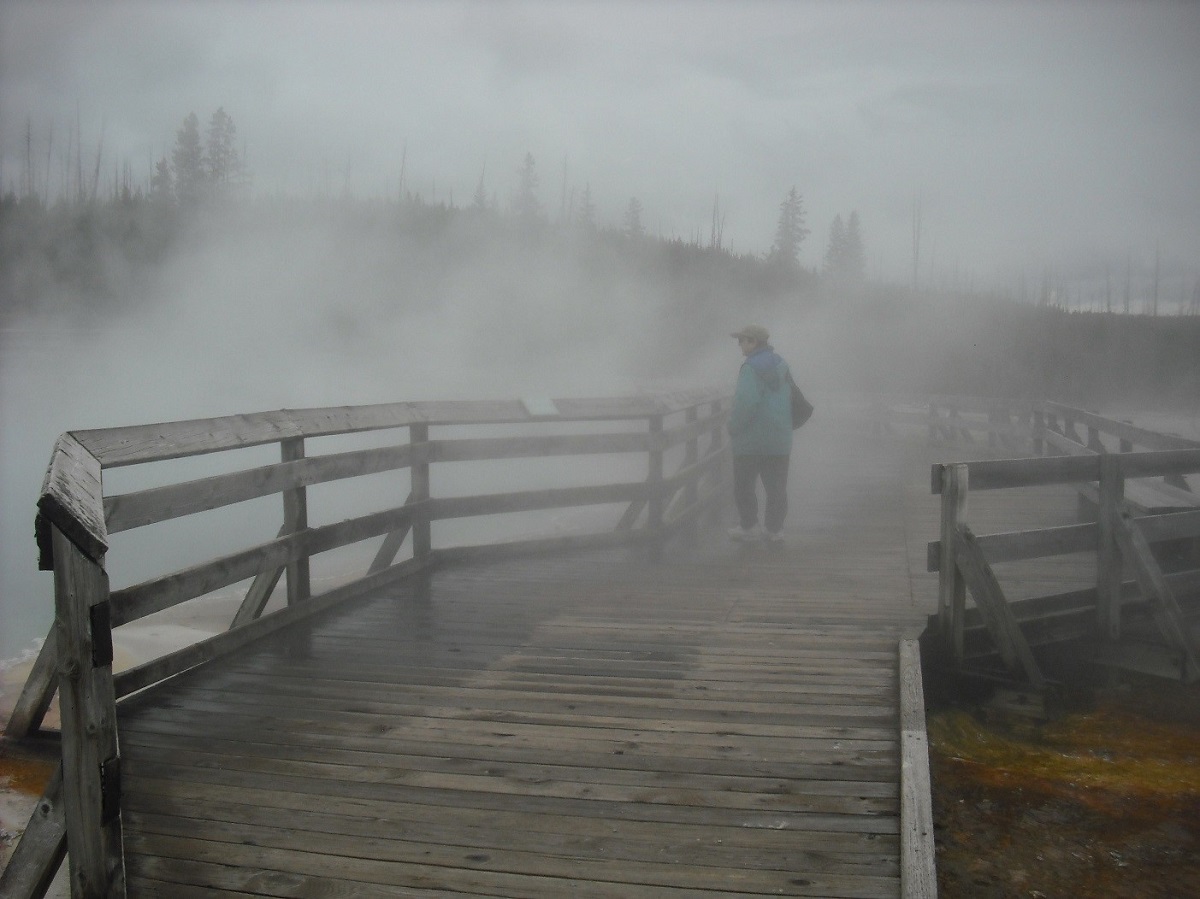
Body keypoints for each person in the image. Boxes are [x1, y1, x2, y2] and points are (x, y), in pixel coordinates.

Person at [726, 324, 793, 543]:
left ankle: (749, 526)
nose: (739, 345)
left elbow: (746, 403)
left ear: (753, 342)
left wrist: (733, 426)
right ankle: (775, 530)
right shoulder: (781, 364)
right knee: (776, 488)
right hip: (779, 438)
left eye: (742, 340)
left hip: (751, 440)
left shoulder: (750, 368)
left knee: (744, 486)